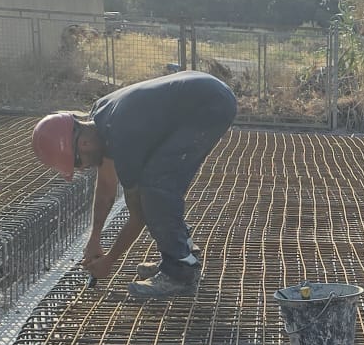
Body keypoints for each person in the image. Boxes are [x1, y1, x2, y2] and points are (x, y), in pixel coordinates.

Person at [31, 71, 238, 301]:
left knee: (156, 187)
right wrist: (95, 237)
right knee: (158, 181)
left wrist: (109, 261)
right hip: (203, 95)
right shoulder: (102, 117)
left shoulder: (122, 137)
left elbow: (138, 216)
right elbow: (107, 186)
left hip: (210, 105)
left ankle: (180, 271)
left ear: (84, 142)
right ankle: (182, 251)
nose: (81, 169)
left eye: (77, 162)